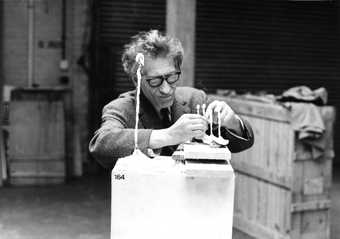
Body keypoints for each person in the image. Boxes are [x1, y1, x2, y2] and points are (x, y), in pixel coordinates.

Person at [89, 30, 254, 169]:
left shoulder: (195, 98)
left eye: (172, 77)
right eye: (155, 81)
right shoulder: (121, 108)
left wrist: (233, 123)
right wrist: (168, 135)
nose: (166, 89)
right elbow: (101, 145)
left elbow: (241, 144)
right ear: (136, 80)